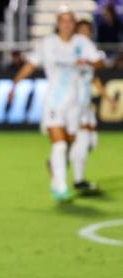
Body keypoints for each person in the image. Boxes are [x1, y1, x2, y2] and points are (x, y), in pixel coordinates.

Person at [9, 9, 103, 202]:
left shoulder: (82, 43)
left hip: (75, 105)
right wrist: (15, 84)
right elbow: (31, 64)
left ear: (74, 23)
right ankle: (60, 187)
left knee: (69, 143)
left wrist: (88, 62)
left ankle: (56, 172)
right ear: (58, 22)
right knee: (59, 145)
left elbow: (99, 62)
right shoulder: (47, 43)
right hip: (54, 102)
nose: (67, 24)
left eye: (70, 21)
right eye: (63, 21)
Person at [72, 19, 116, 195]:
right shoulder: (70, 51)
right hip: (73, 103)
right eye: (81, 30)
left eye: (87, 31)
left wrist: (108, 98)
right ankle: (79, 180)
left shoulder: (89, 54)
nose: (85, 33)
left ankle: (65, 158)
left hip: (86, 104)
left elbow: (95, 78)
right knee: (83, 139)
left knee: (92, 142)